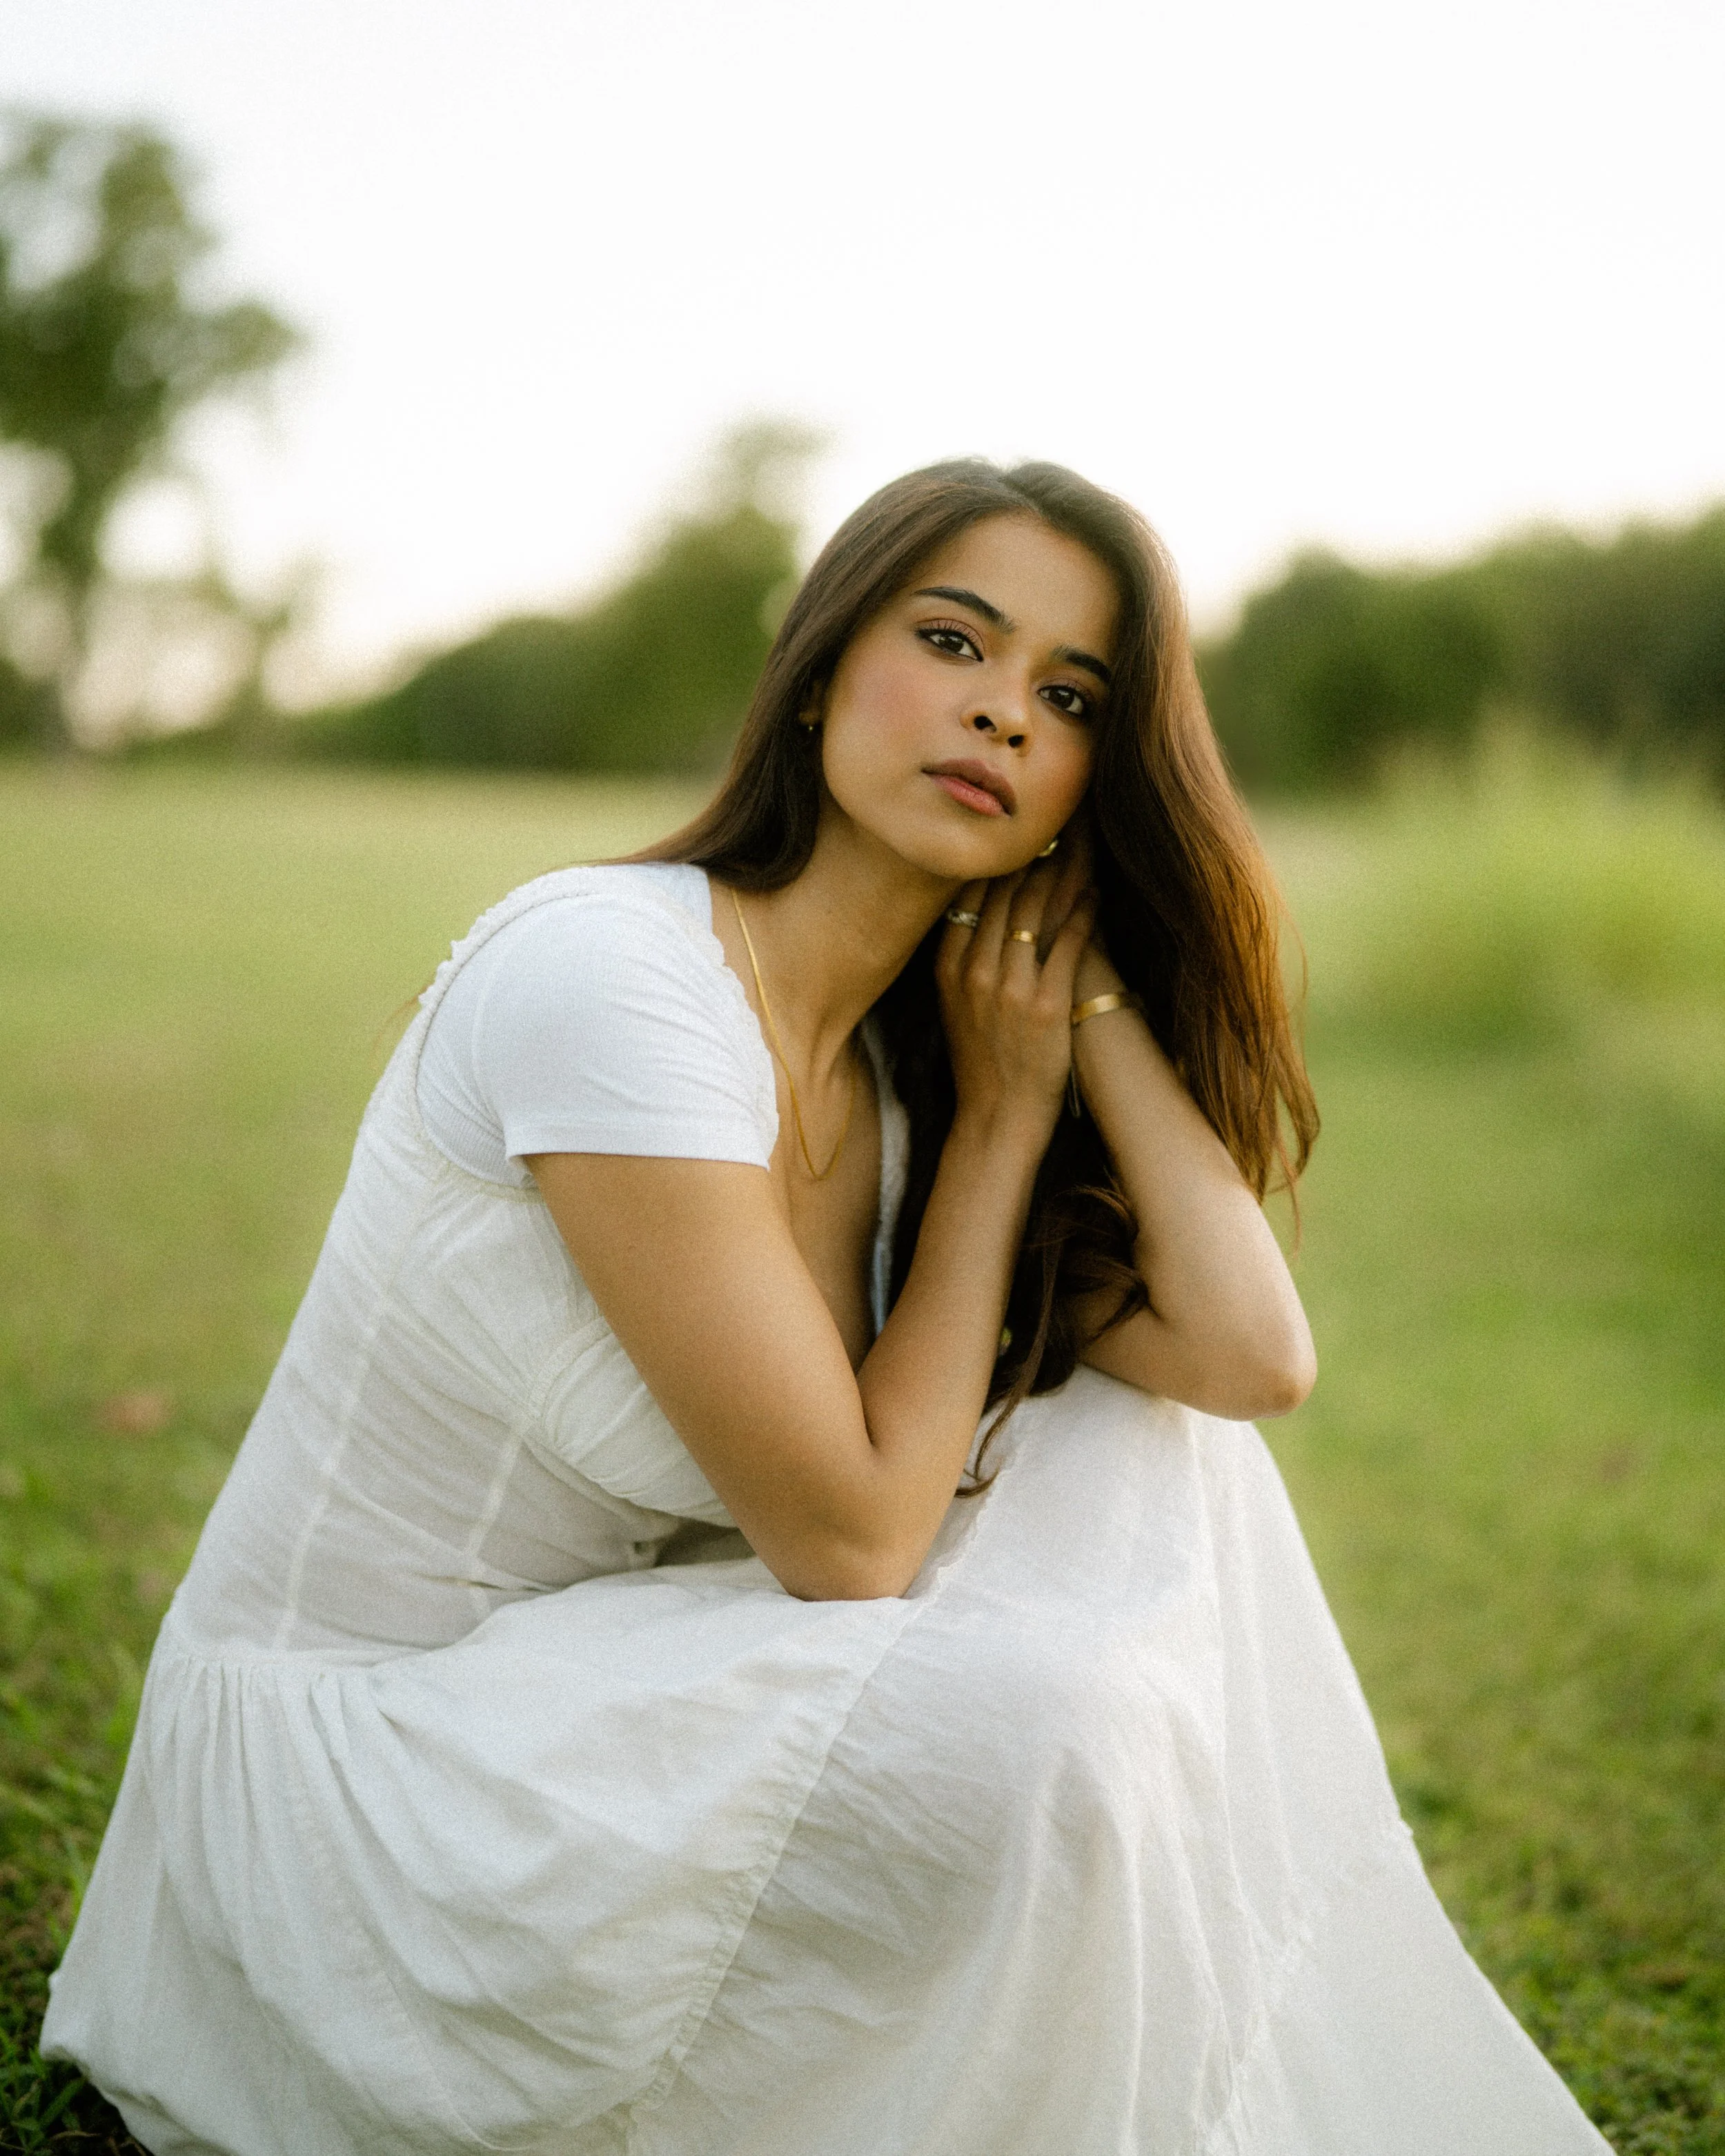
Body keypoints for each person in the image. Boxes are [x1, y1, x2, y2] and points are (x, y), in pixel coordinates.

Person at [43, 460, 1610, 2154]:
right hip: (351, 1783)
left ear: (1093, 778)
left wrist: (1075, 1002)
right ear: (817, 673)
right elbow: (851, 1545)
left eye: (1068, 696)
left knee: (1158, 1460)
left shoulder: (899, 1074)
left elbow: (1247, 1355)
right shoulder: (612, 976)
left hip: (571, 1717)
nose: (1001, 713)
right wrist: (1005, 1129)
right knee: (1048, 1724)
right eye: (954, 641)